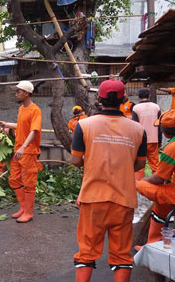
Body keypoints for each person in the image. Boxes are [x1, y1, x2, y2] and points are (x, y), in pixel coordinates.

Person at [71, 80, 146, 282]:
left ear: (99, 99)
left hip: (92, 198)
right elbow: (139, 165)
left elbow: (76, 161)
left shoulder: (83, 125)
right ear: (123, 99)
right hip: (123, 199)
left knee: (86, 252)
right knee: (122, 255)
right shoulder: (138, 130)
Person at [0, 80, 42, 223]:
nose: (16, 93)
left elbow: (34, 131)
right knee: (14, 179)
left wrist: (24, 147)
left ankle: (28, 213)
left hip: (28, 151)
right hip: (18, 150)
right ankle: (23, 207)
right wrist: (7, 124)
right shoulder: (22, 109)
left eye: (18, 91)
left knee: (29, 182)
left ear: (26, 93)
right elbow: (21, 126)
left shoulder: (35, 110)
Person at [135, 109, 175, 250]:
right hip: (153, 144)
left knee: (141, 186)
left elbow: (159, 178)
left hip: (172, 193)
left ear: (164, 131)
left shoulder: (171, 148)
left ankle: (153, 243)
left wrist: (141, 182)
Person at [132, 87, 161, 179]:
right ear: (149, 95)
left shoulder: (136, 108)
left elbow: (135, 126)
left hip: (141, 140)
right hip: (154, 139)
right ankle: (158, 184)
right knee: (155, 164)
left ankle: (139, 186)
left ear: (139, 96)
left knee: (140, 164)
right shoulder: (156, 107)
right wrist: (159, 139)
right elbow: (160, 124)